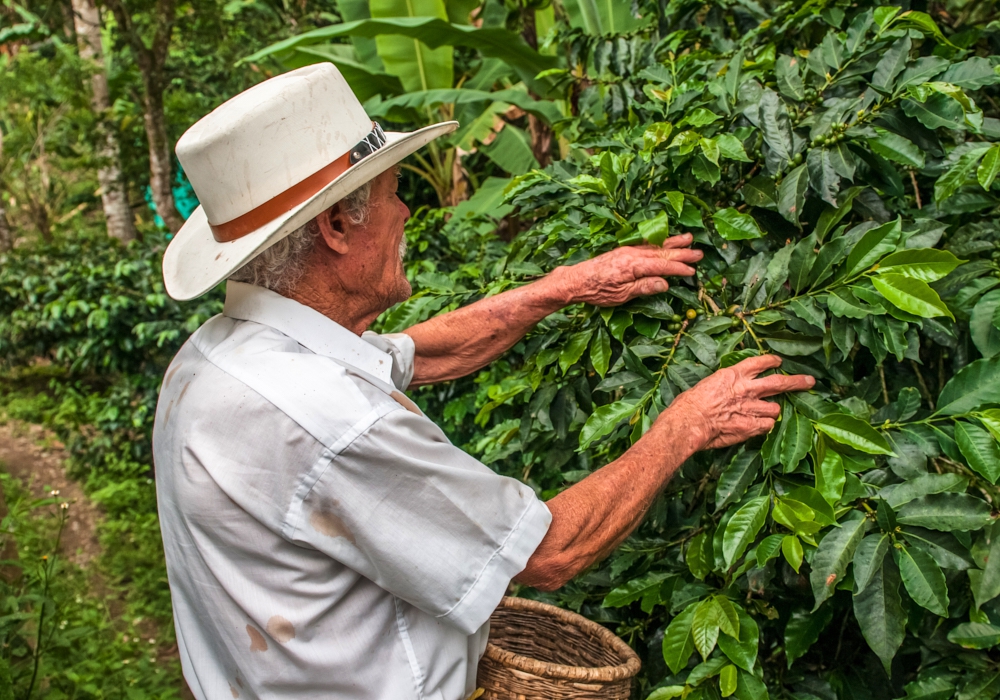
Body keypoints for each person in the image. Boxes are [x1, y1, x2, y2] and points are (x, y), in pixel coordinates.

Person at [153, 64, 815, 700]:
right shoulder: (330, 419)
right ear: (335, 228)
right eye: (392, 197)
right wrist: (687, 425)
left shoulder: (218, 356)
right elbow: (549, 550)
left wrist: (559, 290)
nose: (407, 212)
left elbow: (421, 352)